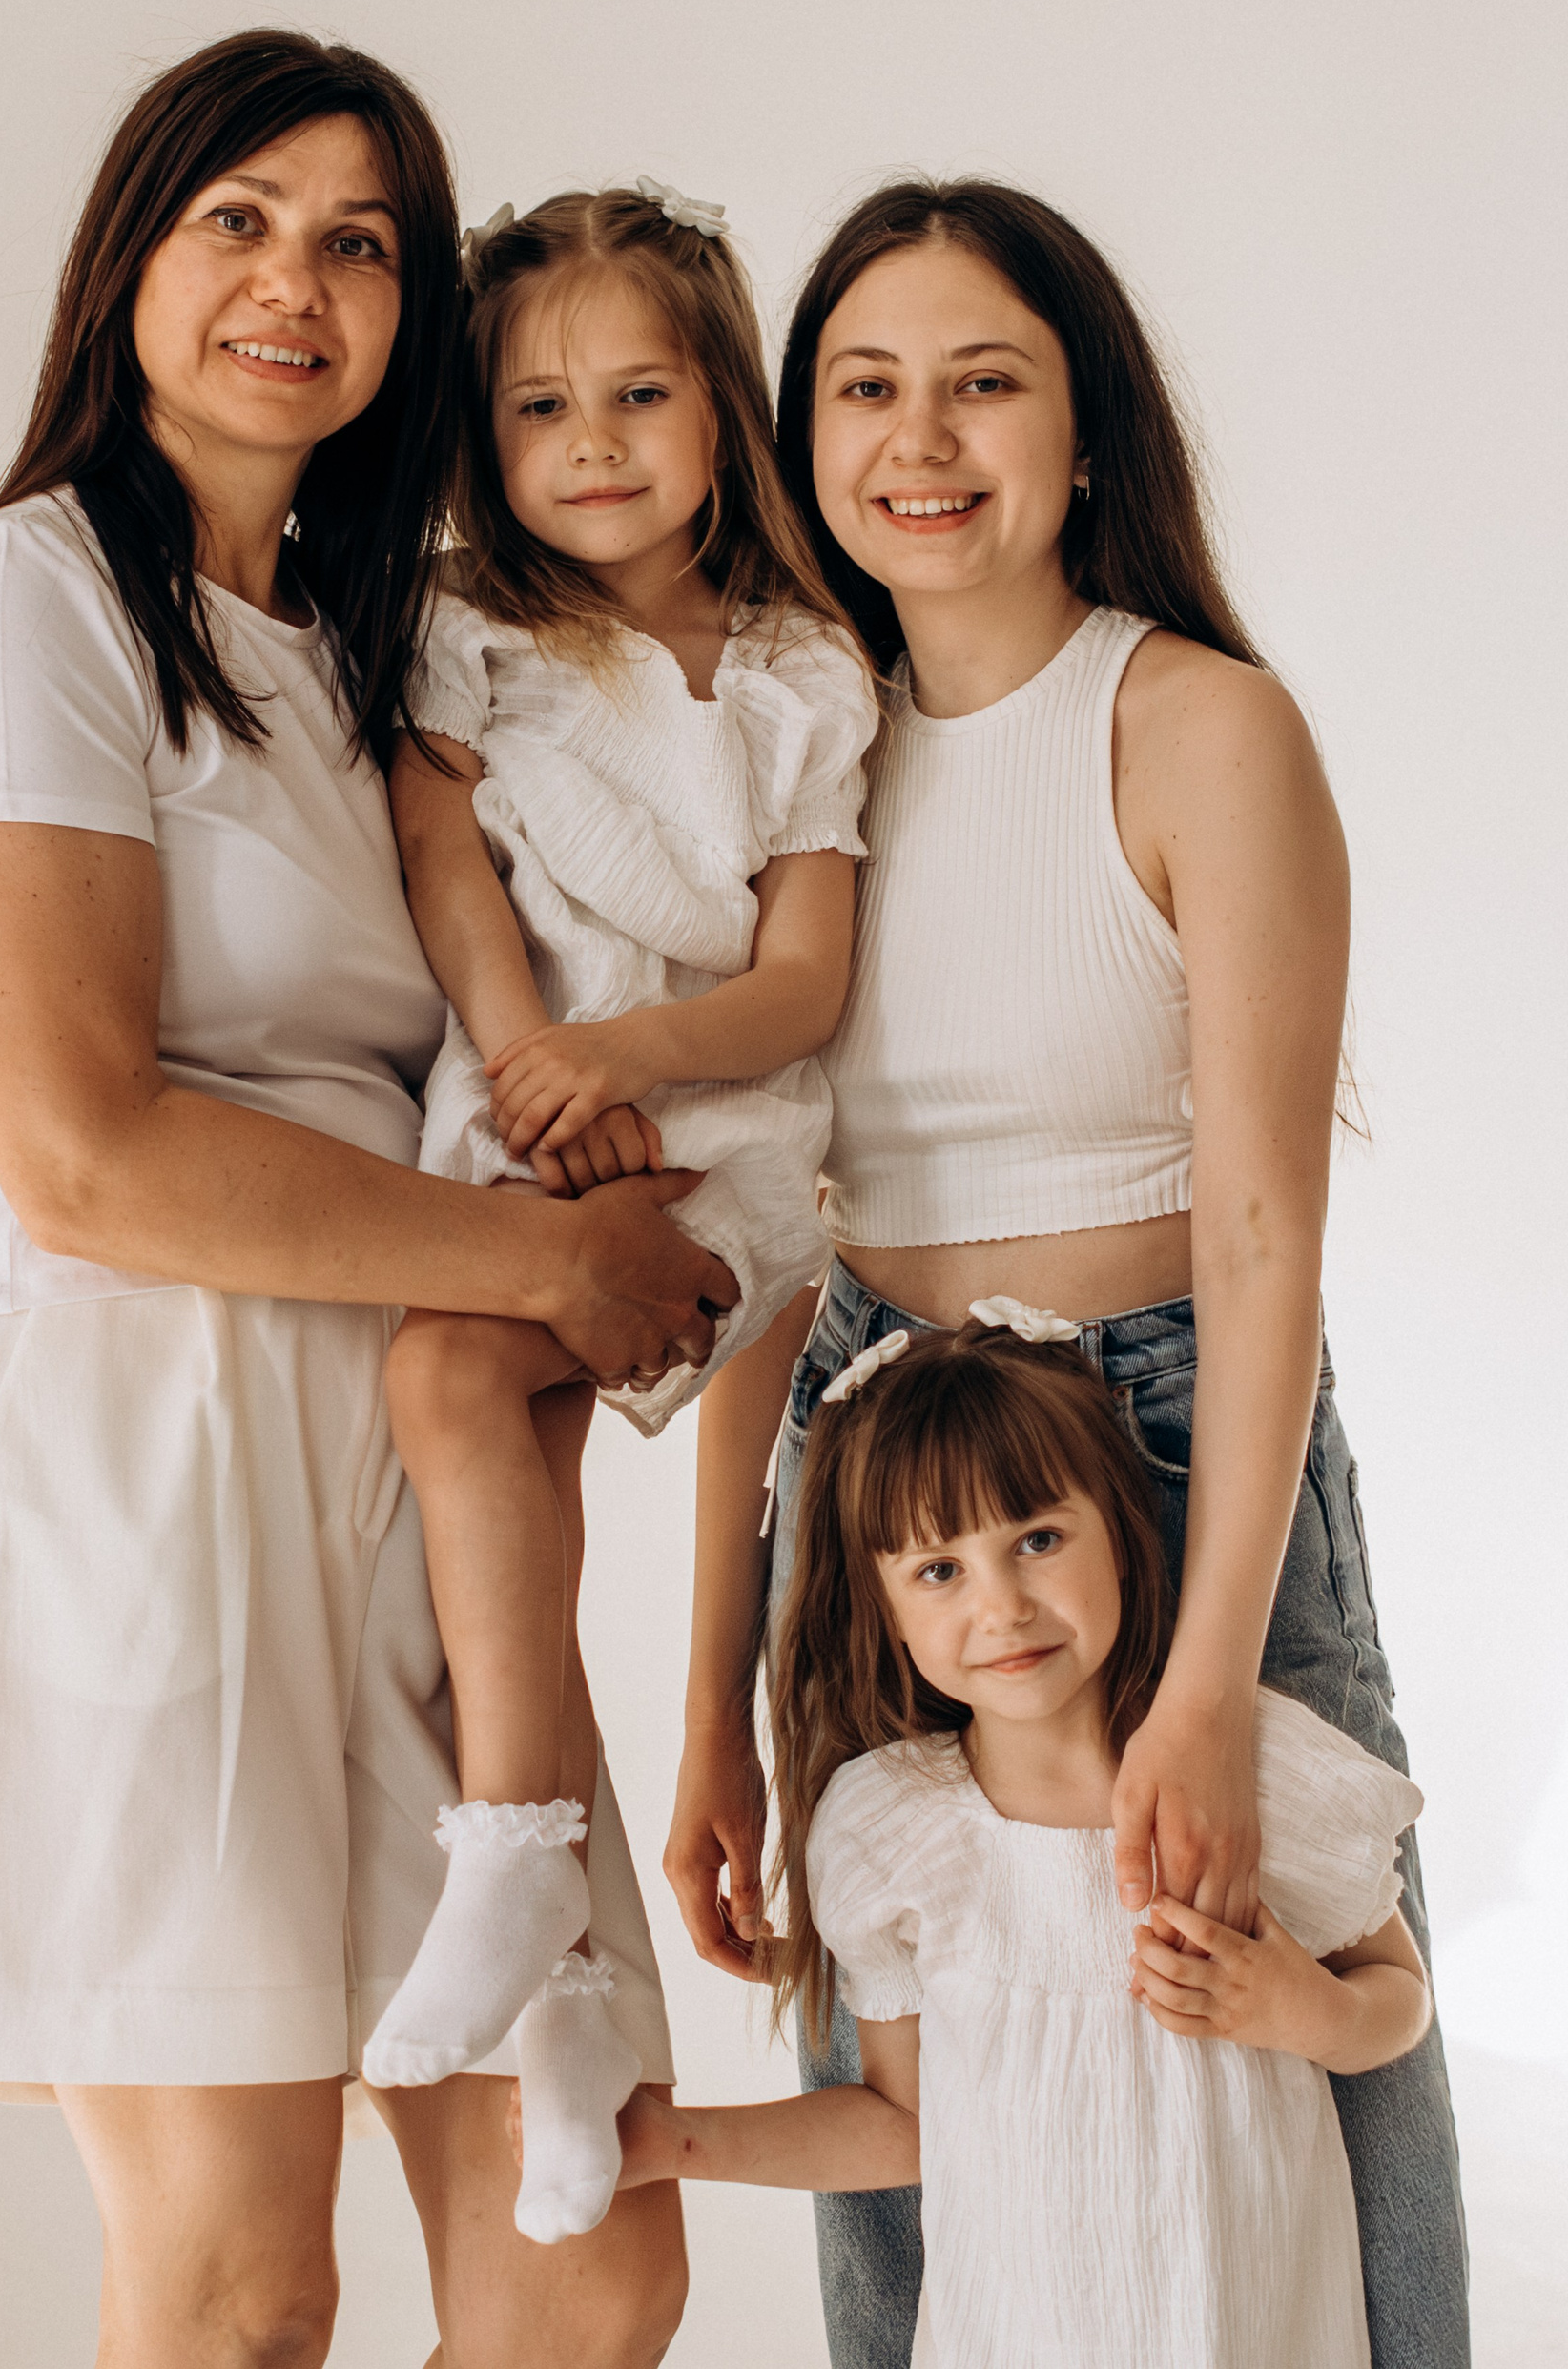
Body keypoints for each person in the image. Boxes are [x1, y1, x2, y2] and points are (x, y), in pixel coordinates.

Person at [0, 31, 735, 2369]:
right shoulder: (22, 600)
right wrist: (549, 1259)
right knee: (243, 2284)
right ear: (128, 255)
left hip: (403, 1443)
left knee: (589, 2268)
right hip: (131, 1447)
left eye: (359, 243)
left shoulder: (386, 650)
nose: (296, 282)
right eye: (238, 219)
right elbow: (83, 1145)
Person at [663, 178, 1469, 2366]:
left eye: (983, 381)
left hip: (1168, 1431)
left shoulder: (1198, 725)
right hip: (874, 1450)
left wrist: (1202, 1681)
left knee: (1298, 2003)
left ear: (1086, 428)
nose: (919, 439)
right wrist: (719, 1694)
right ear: (801, 440)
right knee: (921, 2065)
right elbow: (766, 1248)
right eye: (864, 387)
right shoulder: (790, 754)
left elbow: (1265, 1226)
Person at [364, 183, 876, 2248]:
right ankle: (567, 1992)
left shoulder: (808, 672)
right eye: (538, 406)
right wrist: (528, 1064)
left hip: (718, 1140)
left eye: (640, 394)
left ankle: (514, 1848)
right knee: (483, 1424)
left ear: (723, 403)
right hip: (519, 1116)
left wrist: (633, 1066)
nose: (589, 444)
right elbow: (444, 860)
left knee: (455, 1382)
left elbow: (805, 977)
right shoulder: (468, 629)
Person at [620, 1315, 1431, 2368]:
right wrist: (672, 2143)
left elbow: (1398, 1997)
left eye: (1038, 1539)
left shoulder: (1250, 1775)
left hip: (1252, 2330)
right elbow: (902, 2121)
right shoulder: (890, 1829)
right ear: (885, 1606)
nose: (1002, 1606)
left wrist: (1302, 2009)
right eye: (939, 1570)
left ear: (1122, 1534)